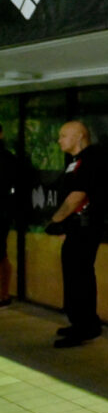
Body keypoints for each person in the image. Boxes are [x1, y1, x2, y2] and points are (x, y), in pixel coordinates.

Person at [45, 122, 108, 348]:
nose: (59, 140)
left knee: (79, 277)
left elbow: (77, 195)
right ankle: (81, 322)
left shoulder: (91, 159)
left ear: (80, 136)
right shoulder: (76, 162)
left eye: (64, 136)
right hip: (76, 229)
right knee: (75, 276)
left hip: (85, 228)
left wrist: (56, 220)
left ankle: (85, 327)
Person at [0, 123, 15, 308]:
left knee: (1, 255)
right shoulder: (8, 158)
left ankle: (3, 294)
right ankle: (3, 294)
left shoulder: (7, 159)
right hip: (3, 212)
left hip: (2, 213)